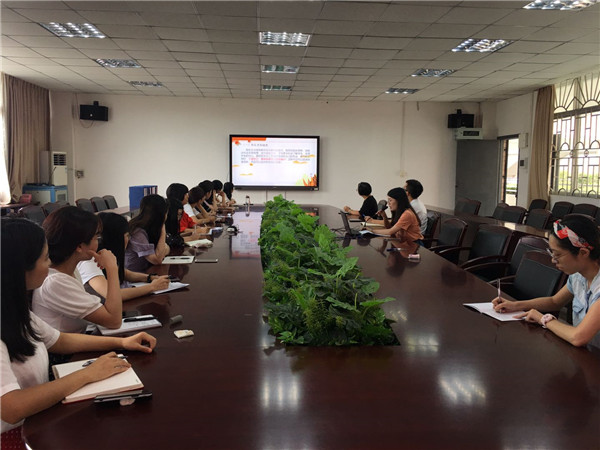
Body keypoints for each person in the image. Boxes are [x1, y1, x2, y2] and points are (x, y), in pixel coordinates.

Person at [1, 217, 156, 439]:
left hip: (40, 417)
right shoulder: (50, 284)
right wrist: (88, 374)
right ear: (19, 268)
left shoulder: (14, 310)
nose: (49, 264)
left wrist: (122, 342)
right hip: (17, 436)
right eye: (45, 258)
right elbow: (12, 407)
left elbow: (60, 340)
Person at [492, 216, 600, 348]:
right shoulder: (578, 276)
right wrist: (515, 305)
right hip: (585, 352)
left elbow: (578, 337)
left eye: (558, 255)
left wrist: (543, 319)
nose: (553, 260)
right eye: (552, 253)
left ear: (583, 252)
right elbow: (555, 302)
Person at [32, 207, 123, 333]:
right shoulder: (55, 282)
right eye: (96, 237)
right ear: (79, 246)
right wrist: (112, 268)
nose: (98, 242)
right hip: (67, 346)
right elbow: (114, 321)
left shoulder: (70, 269)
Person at [77, 213, 170, 301]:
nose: (129, 239)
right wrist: (152, 287)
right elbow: (112, 295)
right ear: (115, 238)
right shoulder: (88, 262)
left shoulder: (106, 255)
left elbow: (124, 273)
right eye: (127, 236)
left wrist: (149, 278)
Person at [125, 194, 170, 272]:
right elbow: (157, 259)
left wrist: (162, 250)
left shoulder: (150, 227)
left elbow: (167, 249)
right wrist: (163, 227)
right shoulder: (137, 232)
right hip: (134, 276)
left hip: (145, 272)